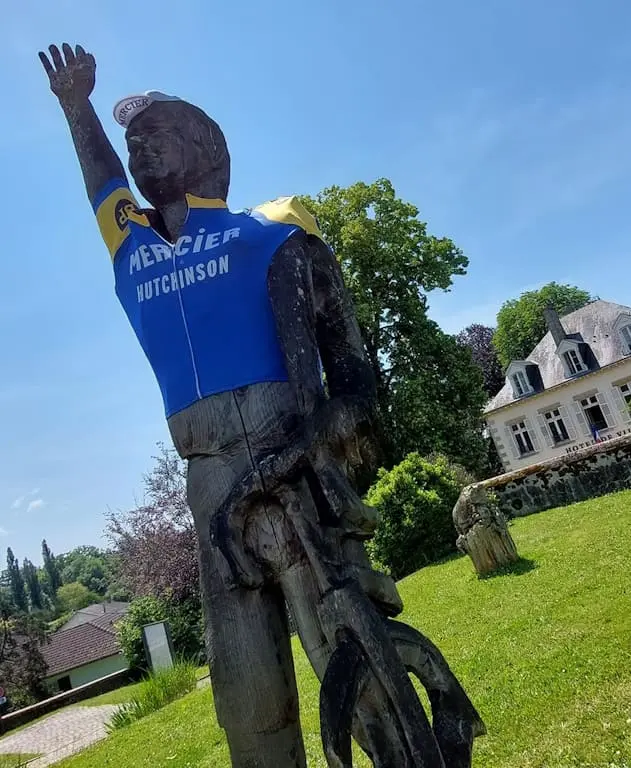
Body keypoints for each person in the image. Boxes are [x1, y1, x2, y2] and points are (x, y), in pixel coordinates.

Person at [37, 43, 415, 767]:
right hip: (208, 481)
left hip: (291, 460)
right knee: (246, 685)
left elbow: (349, 359)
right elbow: (100, 179)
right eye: (132, 141)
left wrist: (337, 424)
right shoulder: (133, 245)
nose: (139, 147)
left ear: (205, 147)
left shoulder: (271, 230)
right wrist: (75, 105)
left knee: (346, 647)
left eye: (158, 133)